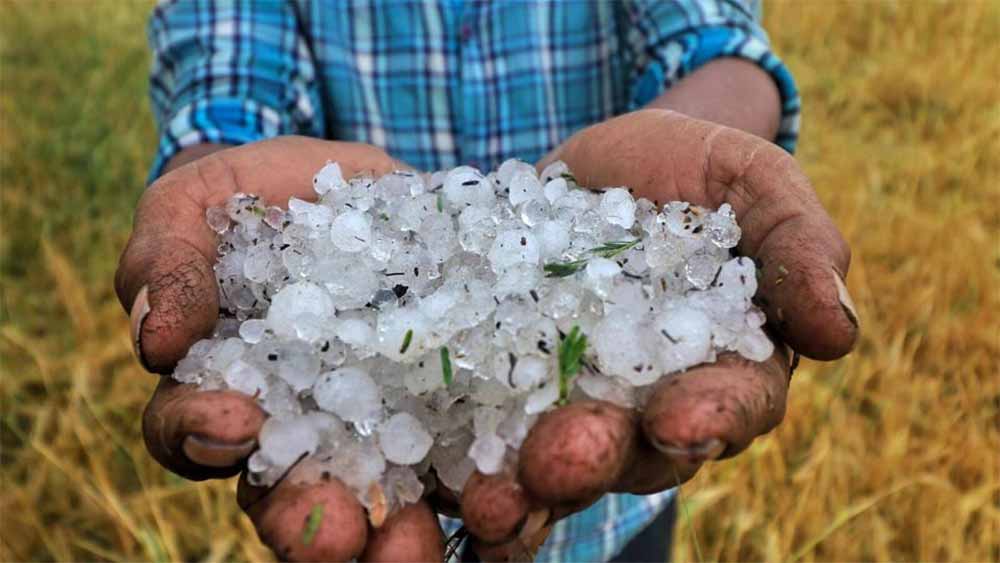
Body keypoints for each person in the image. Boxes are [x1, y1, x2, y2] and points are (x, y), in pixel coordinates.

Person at [116, 1, 859, 561]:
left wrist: (692, 156)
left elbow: (708, 34)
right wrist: (230, 211)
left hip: (618, 504)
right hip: (364, 503)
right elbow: (229, 70)